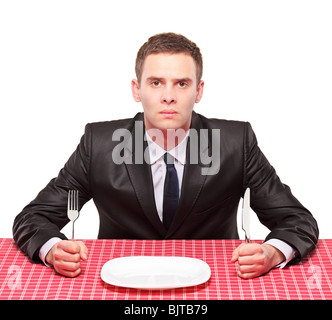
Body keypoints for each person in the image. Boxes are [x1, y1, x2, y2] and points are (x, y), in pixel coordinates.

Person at [13, 32, 318, 279]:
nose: (168, 96)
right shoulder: (100, 144)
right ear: (137, 89)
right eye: (156, 82)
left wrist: (272, 253)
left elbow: (297, 220)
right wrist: (53, 249)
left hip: (215, 282)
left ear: (198, 91)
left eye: (181, 84)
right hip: (119, 281)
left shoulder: (235, 143)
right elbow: (33, 217)